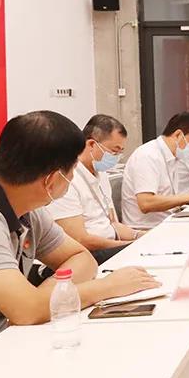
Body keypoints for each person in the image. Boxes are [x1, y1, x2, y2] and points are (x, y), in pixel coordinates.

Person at [0, 111, 159, 373]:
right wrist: (108, 287)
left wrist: (50, 297)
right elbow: (28, 310)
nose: (72, 178)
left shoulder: (25, 208)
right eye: (72, 171)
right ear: (52, 180)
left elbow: (82, 258)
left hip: (3, 343)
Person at [46, 114, 143, 265]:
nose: (116, 157)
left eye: (120, 152)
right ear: (91, 144)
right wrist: (126, 246)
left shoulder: (101, 174)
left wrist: (140, 236)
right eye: (114, 151)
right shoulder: (66, 179)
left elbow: (112, 224)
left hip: (108, 245)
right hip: (85, 253)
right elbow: (80, 239)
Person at [120, 112, 189, 229]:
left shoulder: (172, 157)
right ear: (178, 135)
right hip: (145, 229)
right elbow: (146, 203)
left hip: (166, 222)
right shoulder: (148, 155)